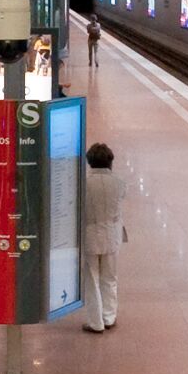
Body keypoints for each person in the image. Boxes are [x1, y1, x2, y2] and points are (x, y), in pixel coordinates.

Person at [80, 139, 125, 332]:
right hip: (112, 236)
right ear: (110, 161)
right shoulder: (119, 183)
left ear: (90, 162)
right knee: (110, 278)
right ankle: (109, 316)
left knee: (92, 280)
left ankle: (95, 322)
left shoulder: (84, 184)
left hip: (90, 236)